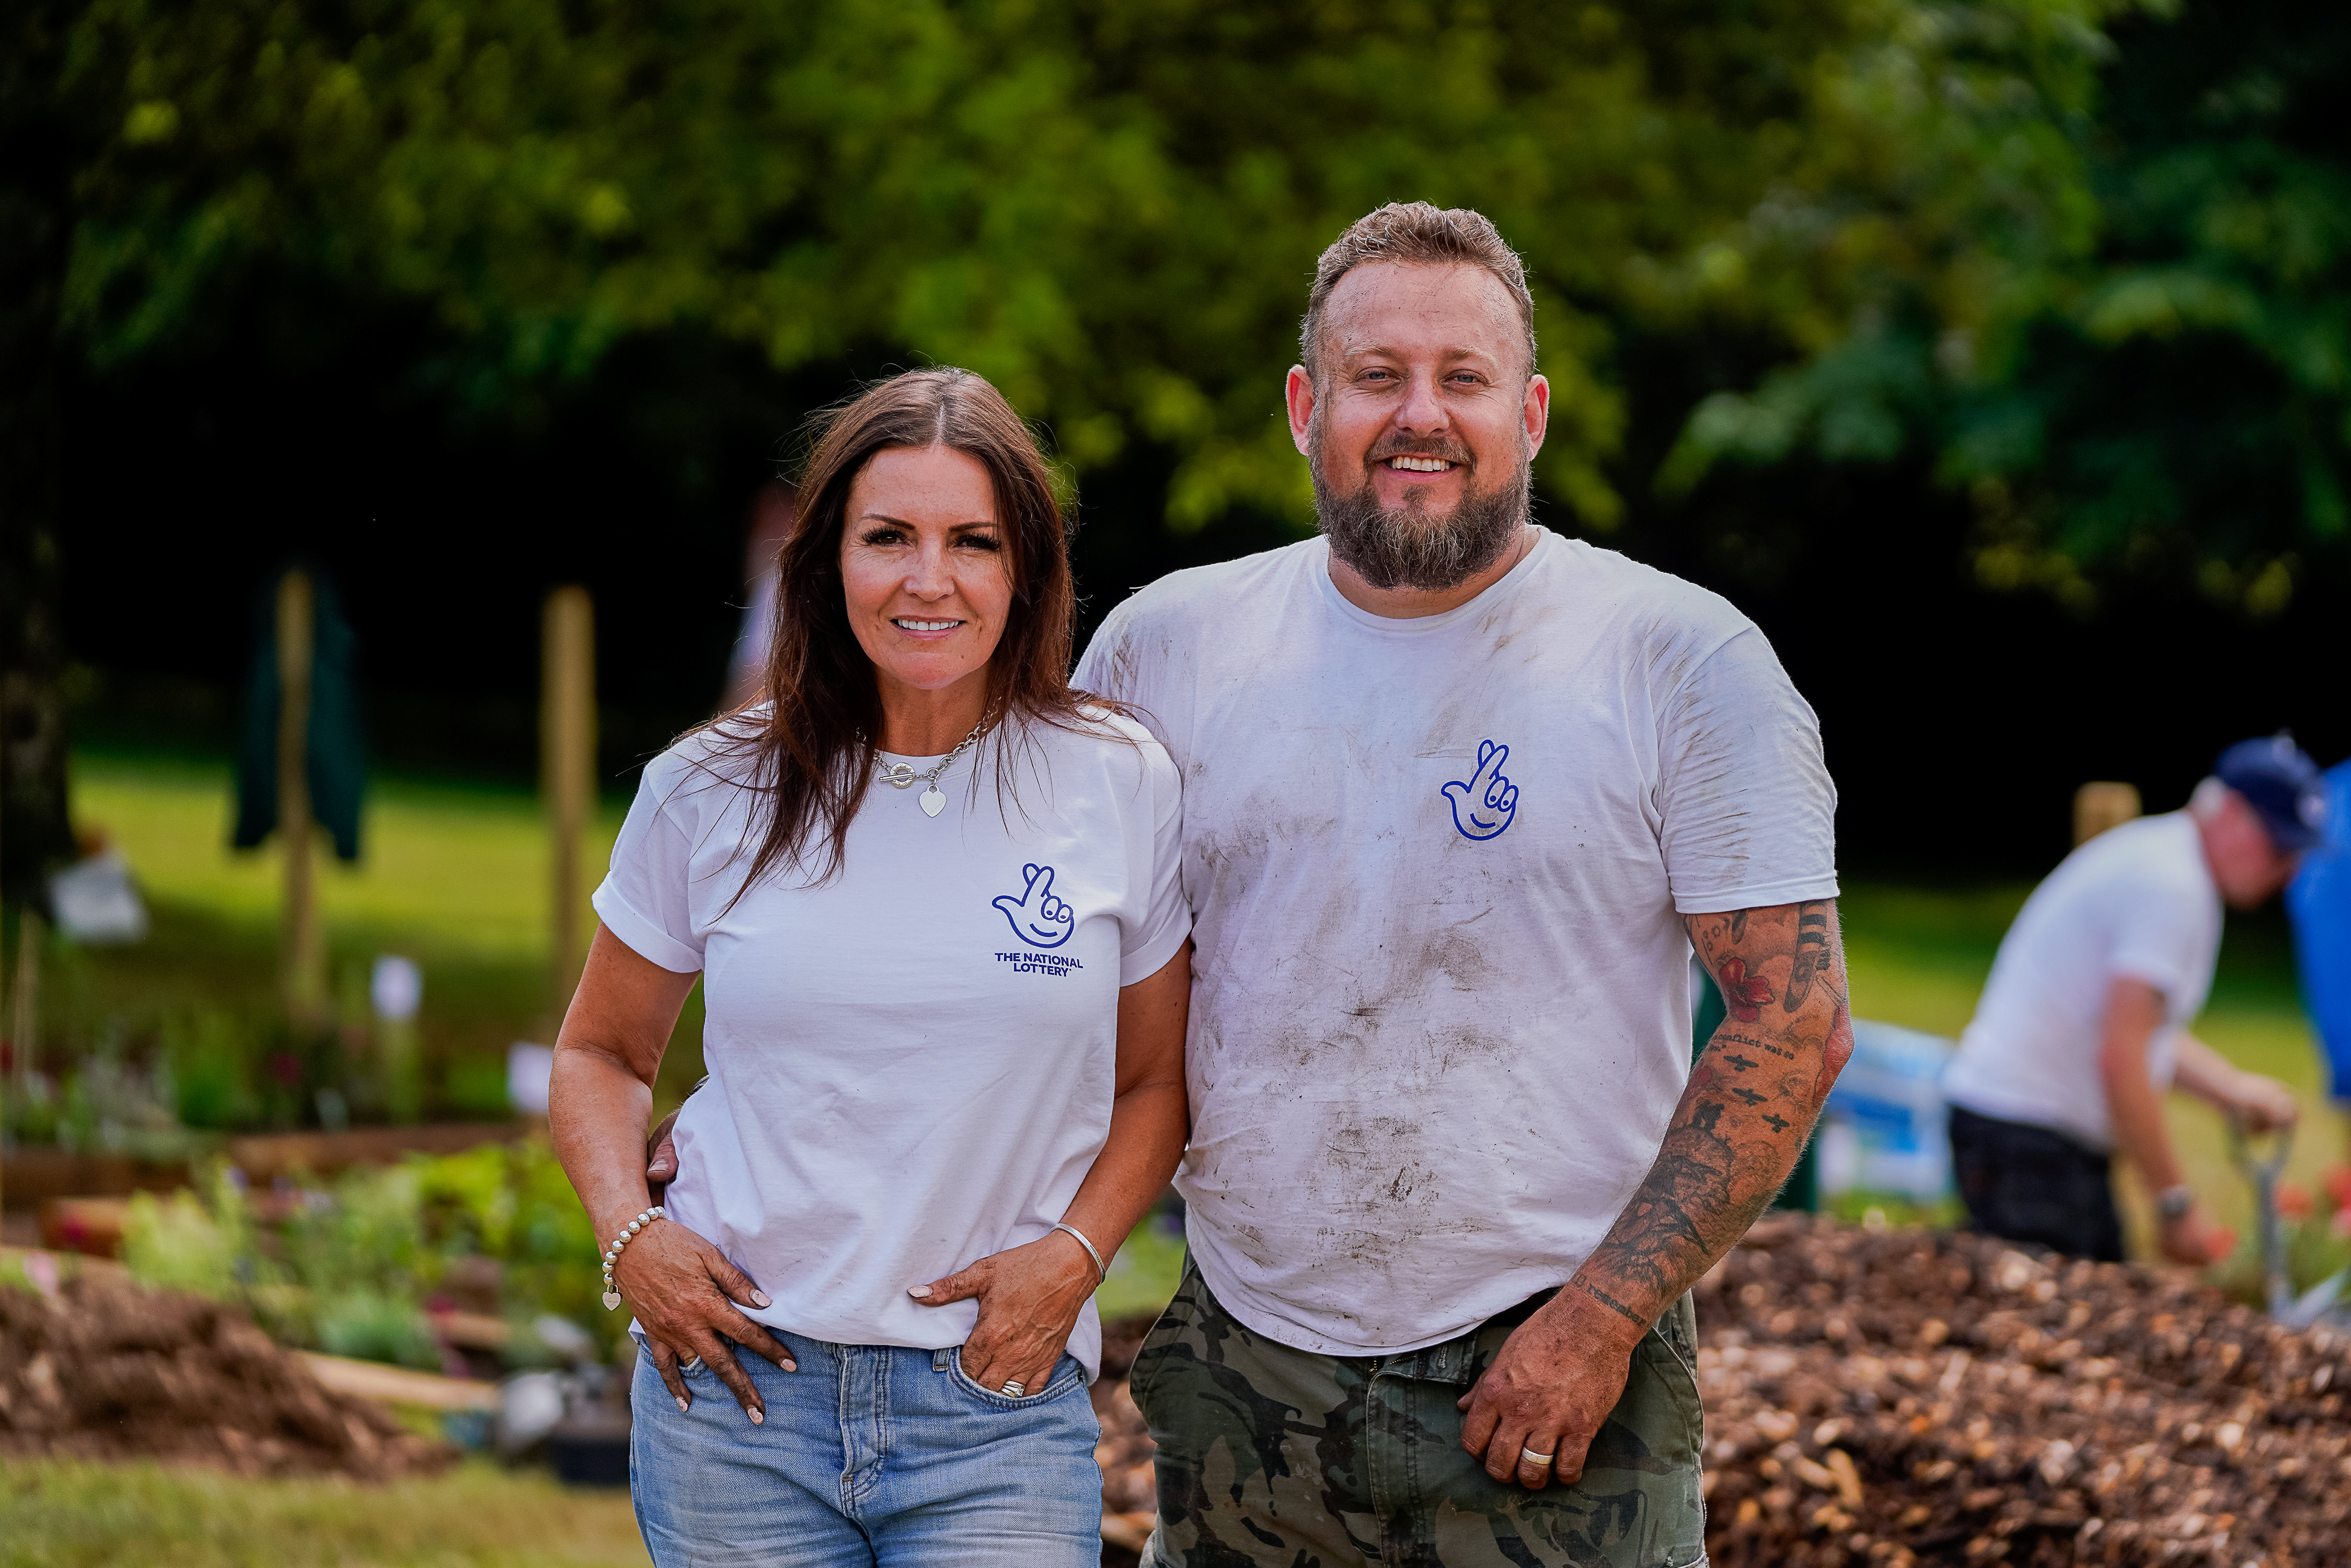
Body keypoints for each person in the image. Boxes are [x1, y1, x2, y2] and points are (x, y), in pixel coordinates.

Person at [1076, 202, 1848, 1567]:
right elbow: (1054, 968)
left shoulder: (1680, 663)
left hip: (1552, 1389)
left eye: (1463, 377)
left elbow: (1793, 1022)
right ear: (1307, 407)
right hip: (1246, 1374)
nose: (1417, 414)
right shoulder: (1165, 648)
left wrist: (1602, 1321)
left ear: (1531, 413)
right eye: (1377, 376)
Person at [551, 367, 1192, 1568]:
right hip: (737, 1398)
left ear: (1026, 568)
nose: (927, 578)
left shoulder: (1117, 781)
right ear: (825, 557)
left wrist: (1075, 1256)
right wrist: (629, 1234)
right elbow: (599, 1052)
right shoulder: (707, 787)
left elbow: (1156, 1083)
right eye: (886, 535)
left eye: (972, 540)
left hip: (992, 1404)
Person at [1940, 735, 2326, 1265]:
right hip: (2026, 1139)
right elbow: (2121, 1056)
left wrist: (2228, 1092)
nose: (2288, 872)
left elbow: (2138, 1033)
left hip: (2029, 1134)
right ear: (2232, 814)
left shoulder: (2168, 861)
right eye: (2279, 848)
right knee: (2061, 1329)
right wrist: (2173, 1204)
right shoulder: (2173, 887)